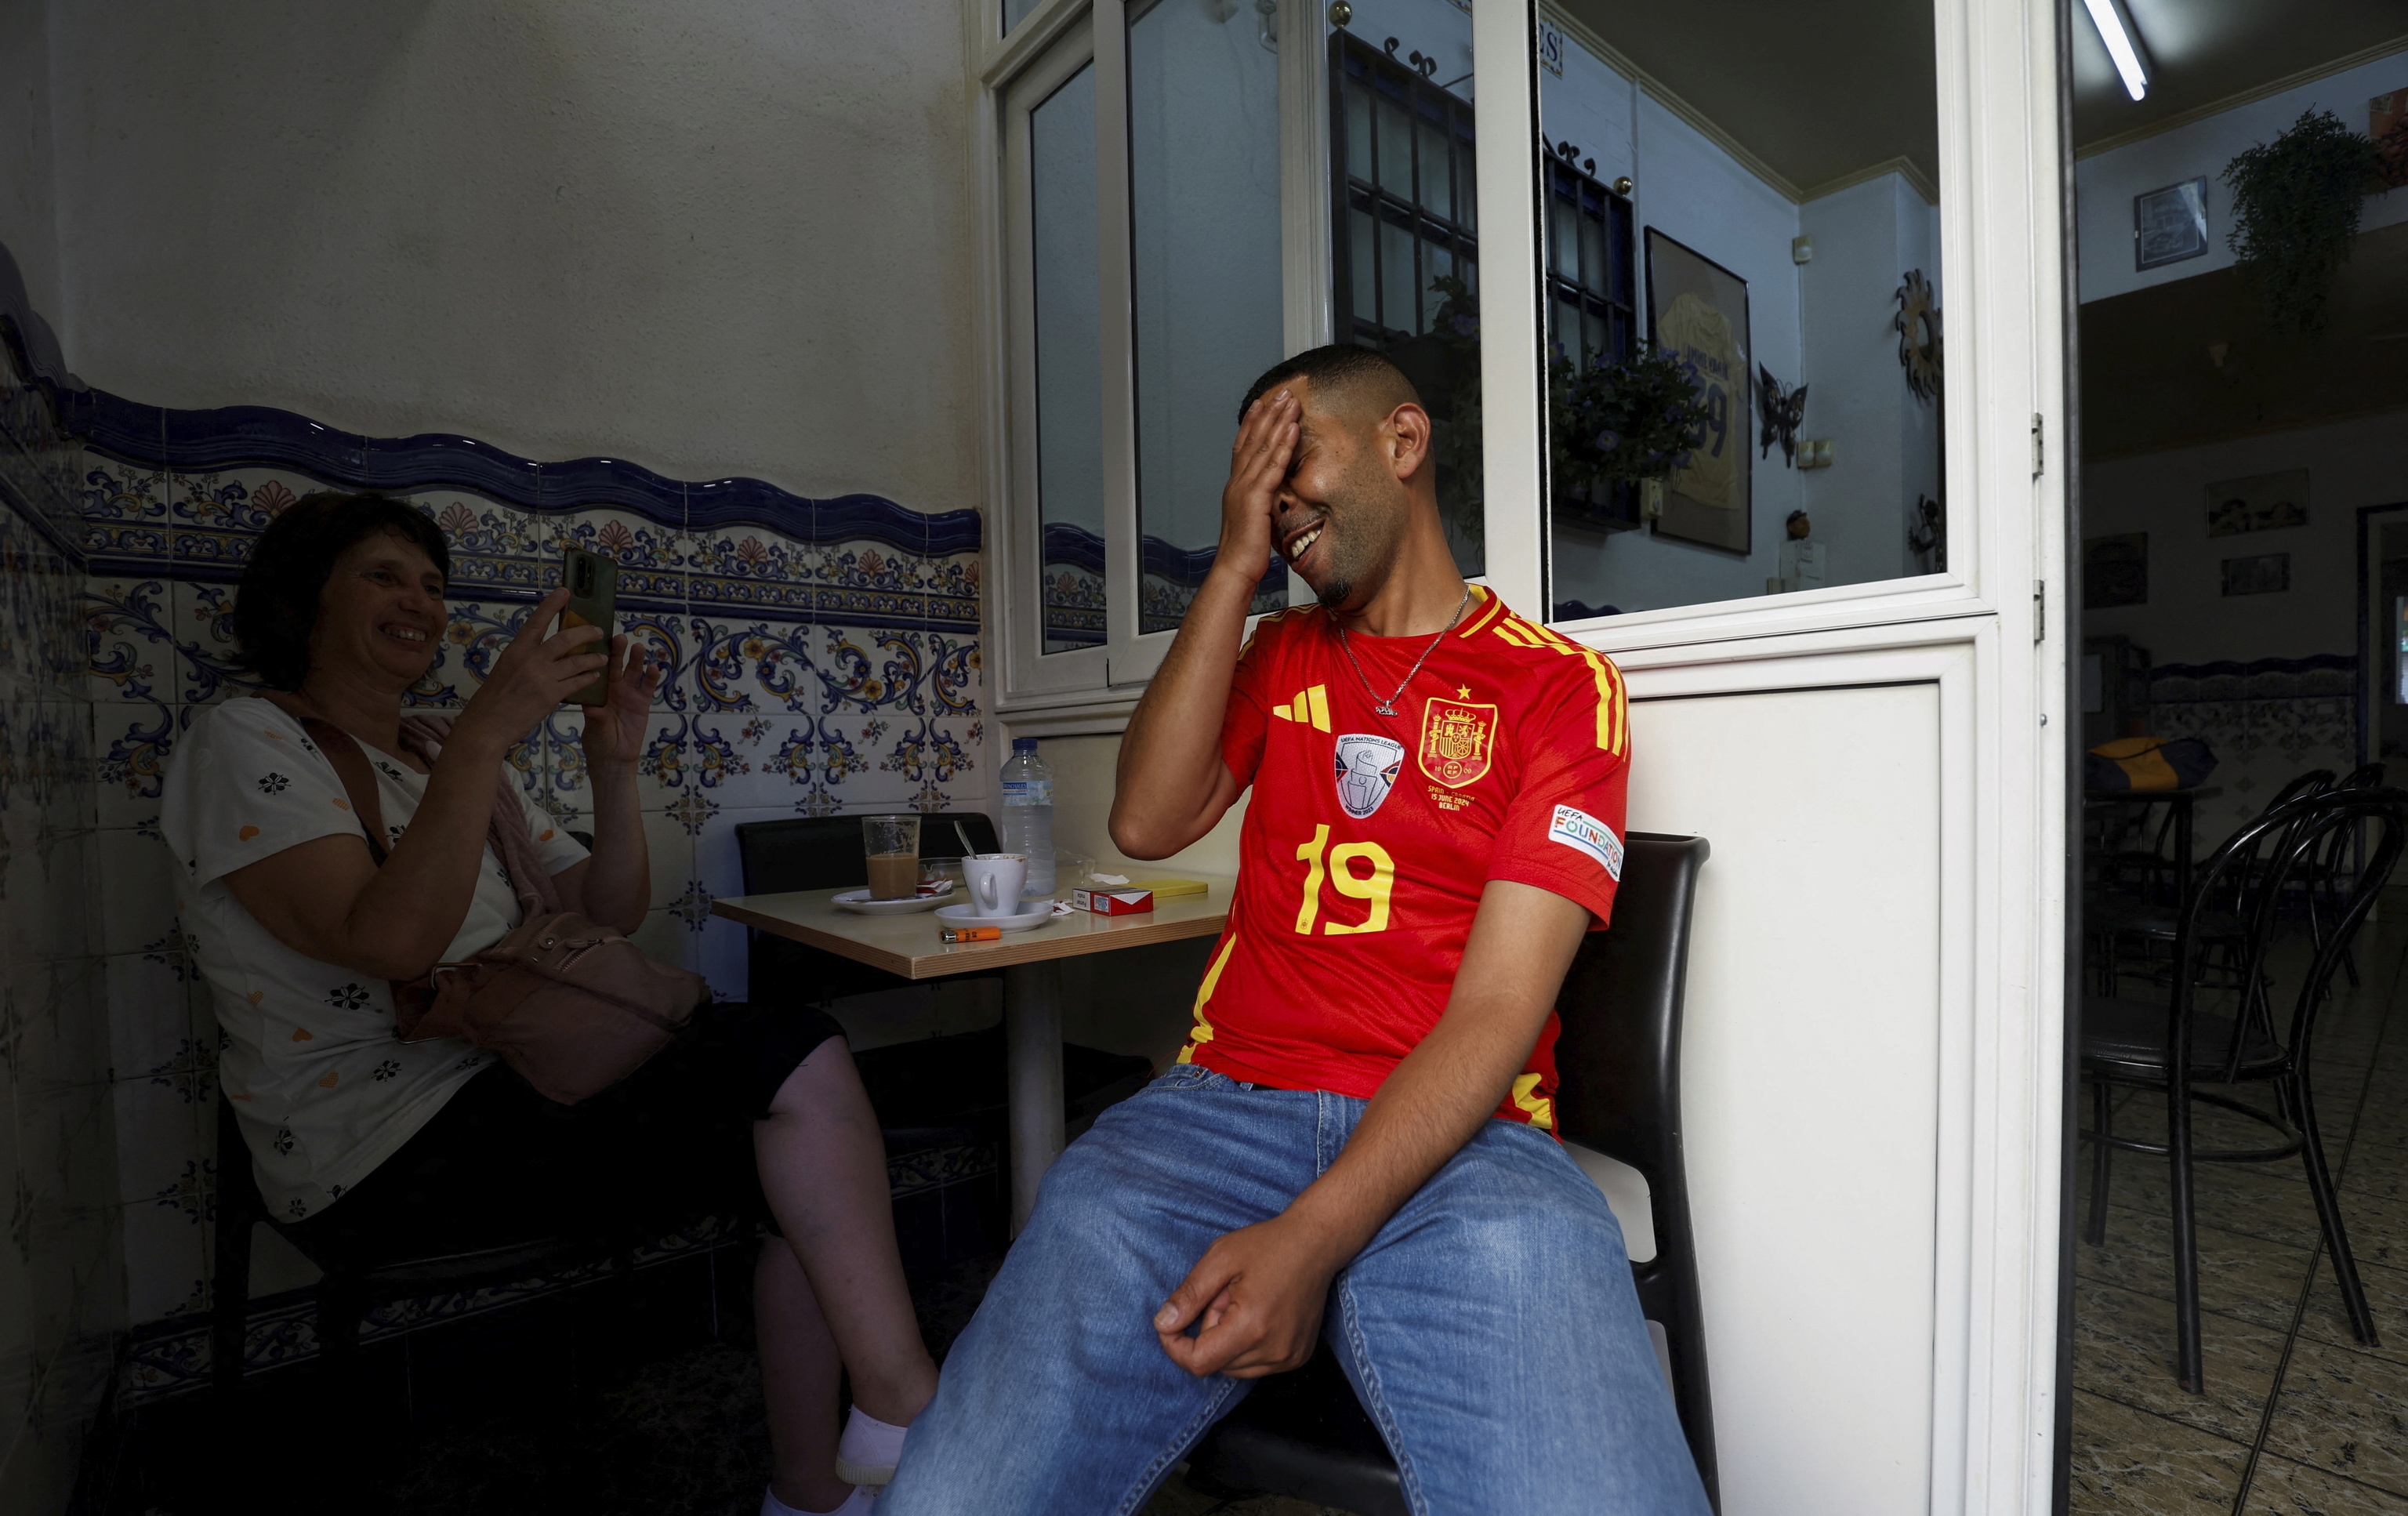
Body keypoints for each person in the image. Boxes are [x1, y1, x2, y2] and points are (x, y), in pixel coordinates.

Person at [882, 346, 1711, 1514]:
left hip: (1470, 1147)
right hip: (1215, 1116)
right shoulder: (1275, 655)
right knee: (949, 1498)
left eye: (1293, 456)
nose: (1275, 500)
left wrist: (1312, 1237)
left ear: (1403, 444)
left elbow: (1494, 1014)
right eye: (1251, 480)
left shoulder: (1559, 686)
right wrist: (1229, 567)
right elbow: (1145, 817)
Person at [160, 492, 933, 1516]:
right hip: (383, 1142)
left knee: (800, 1132)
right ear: (305, 601)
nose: (421, 603)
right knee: (792, 1073)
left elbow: (605, 913)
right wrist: (486, 733)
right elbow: (388, 939)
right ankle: (896, 1406)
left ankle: (817, 1481)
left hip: (518, 1079)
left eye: (434, 584)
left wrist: (613, 767)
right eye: (384, 576)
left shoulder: (438, 753)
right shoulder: (248, 739)